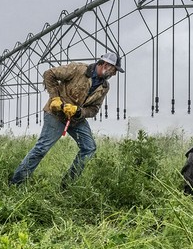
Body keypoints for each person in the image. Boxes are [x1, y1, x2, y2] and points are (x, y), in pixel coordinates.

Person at [9, 51, 123, 187]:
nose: (114, 74)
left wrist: (79, 111)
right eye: (114, 70)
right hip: (56, 114)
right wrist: (55, 98)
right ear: (105, 64)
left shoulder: (104, 87)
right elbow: (49, 74)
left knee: (89, 148)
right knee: (42, 148)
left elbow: (94, 109)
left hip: (75, 119)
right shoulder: (78, 69)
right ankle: (16, 183)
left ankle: (66, 185)